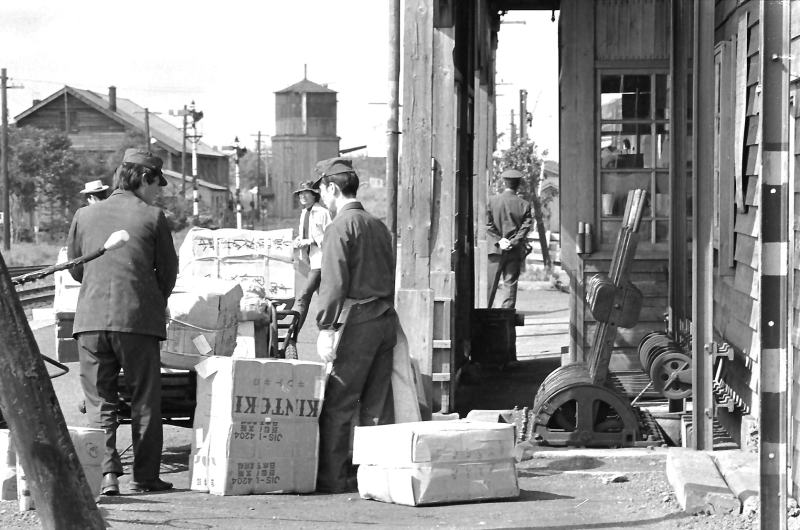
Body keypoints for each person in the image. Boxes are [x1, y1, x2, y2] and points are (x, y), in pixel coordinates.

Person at [67, 148, 178, 495]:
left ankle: (106, 475)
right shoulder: (154, 217)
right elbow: (168, 274)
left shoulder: (84, 215)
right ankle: (144, 477)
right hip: (137, 321)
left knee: (101, 401)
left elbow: (75, 268)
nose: (157, 191)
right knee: (144, 399)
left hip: (90, 321)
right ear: (144, 178)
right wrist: (149, 298)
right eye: (156, 184)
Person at [312, 157, 397, 493]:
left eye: (322, 191)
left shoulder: (339, 227)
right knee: (377, 405)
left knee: (339, 402)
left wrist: (326, 326)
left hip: (357, 321)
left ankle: (334, 478)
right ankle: (378, 478)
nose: (322, 199)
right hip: (385, 319)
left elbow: (333, 283)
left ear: (333, 187)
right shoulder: (378, 225)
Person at [486, 168, 533, 309]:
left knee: (490, 287)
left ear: (503, 183)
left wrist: (500, 240)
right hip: (513, 251)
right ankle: (506, 320)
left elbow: (488, 225)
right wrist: (513, 242)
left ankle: (485, 318)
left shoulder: (492, 201)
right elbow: (526, 226)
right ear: (518, 184)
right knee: (510, 286)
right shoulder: (524, 205)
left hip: (495, 250)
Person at [291, 180, 332, 332]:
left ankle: (292, 335)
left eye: (306, 193)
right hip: (308, 262)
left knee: (303, 296)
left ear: (315, 195)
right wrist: (298, 241)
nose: (302, 196)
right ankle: (331, 329)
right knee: (325, 299)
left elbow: (330, 238)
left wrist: (312, 241)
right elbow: (303, 236)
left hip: (321, 262)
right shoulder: (304, 213)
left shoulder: (323, 213)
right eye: (300, 193)